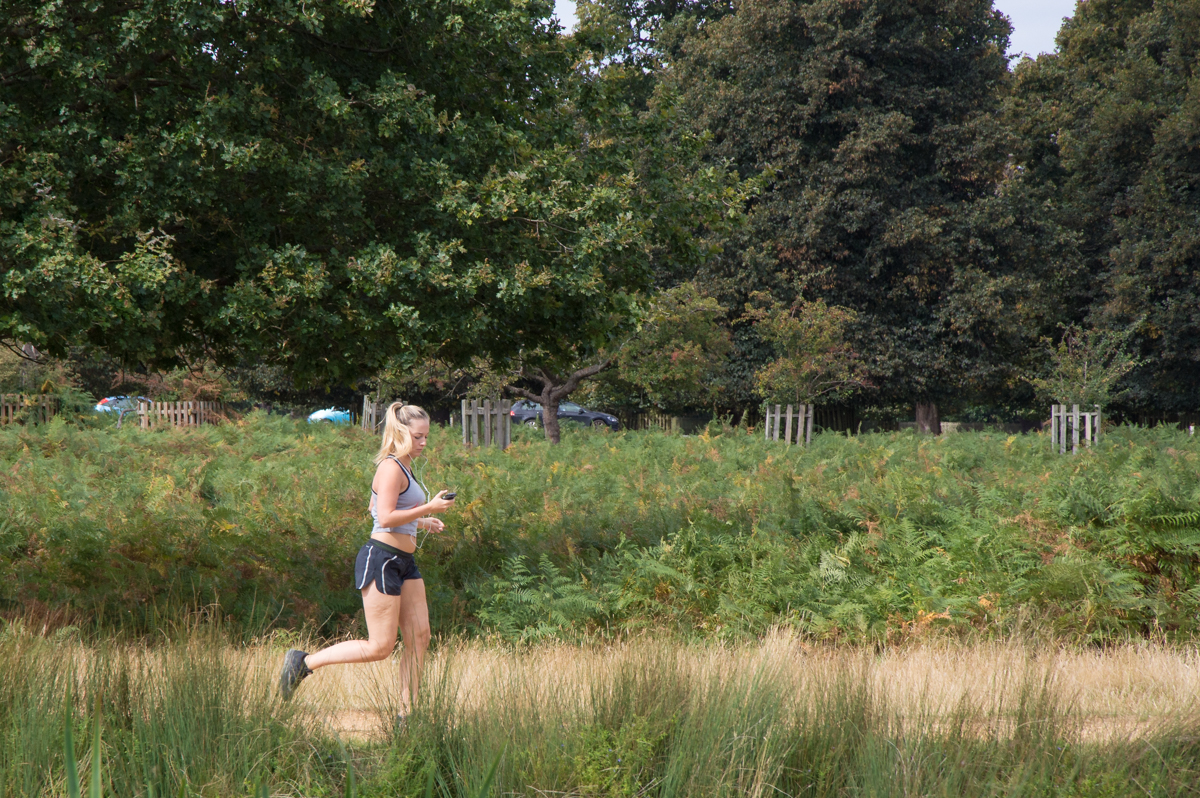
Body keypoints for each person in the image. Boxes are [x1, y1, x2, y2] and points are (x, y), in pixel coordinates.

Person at [278, 403, 456, 716]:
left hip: (405, 562)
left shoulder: (406, 467)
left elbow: (376, 508)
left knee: (419, 637)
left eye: (427, 436)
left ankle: (407, 714)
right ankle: (302, 663)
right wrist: (427, 509)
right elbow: (385, 517)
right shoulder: (390, 467)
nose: (424, 442)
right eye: (418, 436)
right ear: (401, 434)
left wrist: (421, 522)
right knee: (380, 647)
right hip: (382, 559)